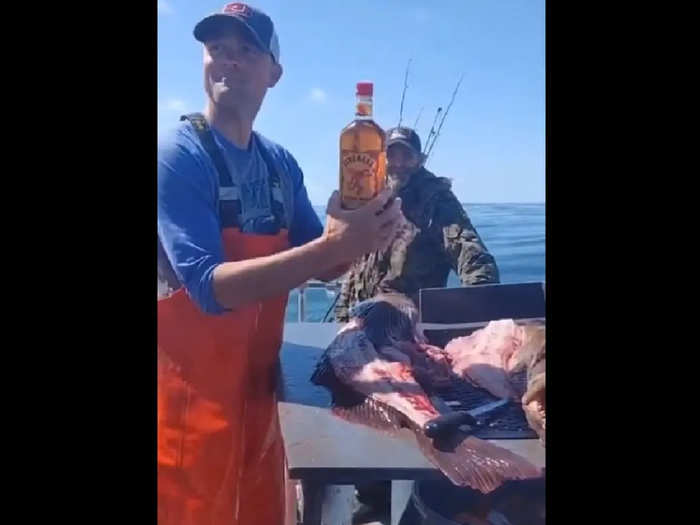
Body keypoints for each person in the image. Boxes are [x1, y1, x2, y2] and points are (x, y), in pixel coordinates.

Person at [156, 4, 403, 525]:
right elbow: (208, 287)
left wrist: (361, 231)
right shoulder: (177, 156)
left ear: (274, 73)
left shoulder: (280, 165)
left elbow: (324, 264)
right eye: (217, 49)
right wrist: (333, 247)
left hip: (261, 396)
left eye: (246, 50)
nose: (229, 61)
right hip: (187, 407)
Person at [334, 126, 500, 322]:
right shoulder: (372, 196)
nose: (398, 163)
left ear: (420, 160)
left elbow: (473, 258)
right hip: (360, 323)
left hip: (409, 328)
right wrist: (341, 319)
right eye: (391, 155)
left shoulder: (436, 201)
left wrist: (479, 315)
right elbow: (356, 267)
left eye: (407, 156)